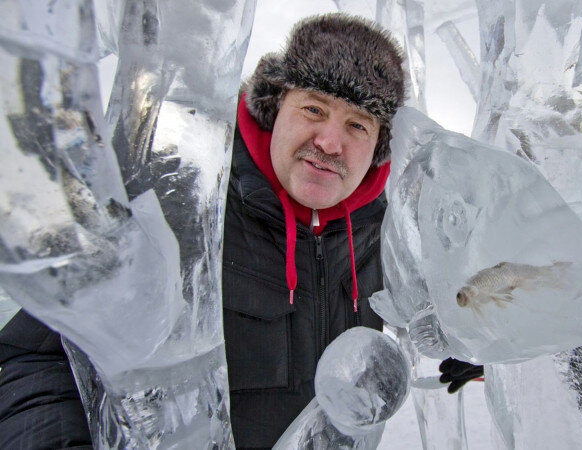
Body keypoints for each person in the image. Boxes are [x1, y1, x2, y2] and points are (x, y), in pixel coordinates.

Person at [0, 13, 404, 449]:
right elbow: (32, 359)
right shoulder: (178, 198)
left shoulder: (384, 235)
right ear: (275, 107)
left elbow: (429, 314)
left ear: (379, 144)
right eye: (313, 109)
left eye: (357, 124)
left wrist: (463, 344)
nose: (328, 142)